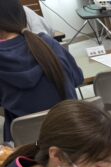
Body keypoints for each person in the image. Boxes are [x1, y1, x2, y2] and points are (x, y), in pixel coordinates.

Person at [0, 0, 83, 144]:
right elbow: (78, 79)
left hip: (27, 145)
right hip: (73, 134)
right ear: (22, 15)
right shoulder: (48, 43)